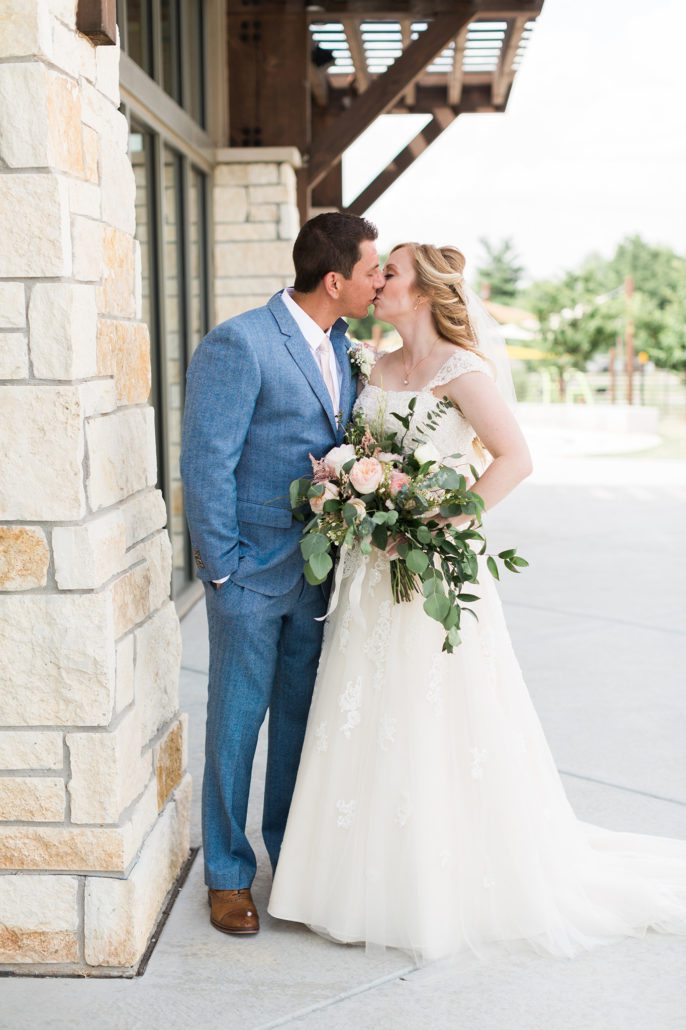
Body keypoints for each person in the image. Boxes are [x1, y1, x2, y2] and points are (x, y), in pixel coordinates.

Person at [268, 242, 686, 962]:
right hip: (371, 572)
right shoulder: (372, 361)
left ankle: (435, 878)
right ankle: (347, 877)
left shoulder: (462, 371)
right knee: (367, 710)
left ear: (423, 291)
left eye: (389, 273)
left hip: (430, 569)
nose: (378, 282)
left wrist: (439, 523)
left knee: (436, 711)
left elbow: (514, 459)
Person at [180, 212, 385, 935]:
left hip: (320, 579)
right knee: (236, 726)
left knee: (301, 727)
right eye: (370, 271)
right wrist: (223, 573)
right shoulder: (239, 343)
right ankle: (228, 875)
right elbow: (207, 464)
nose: (378, 281)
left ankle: (289, 866)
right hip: (249, 579)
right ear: (335, 279)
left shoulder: (348, 349)